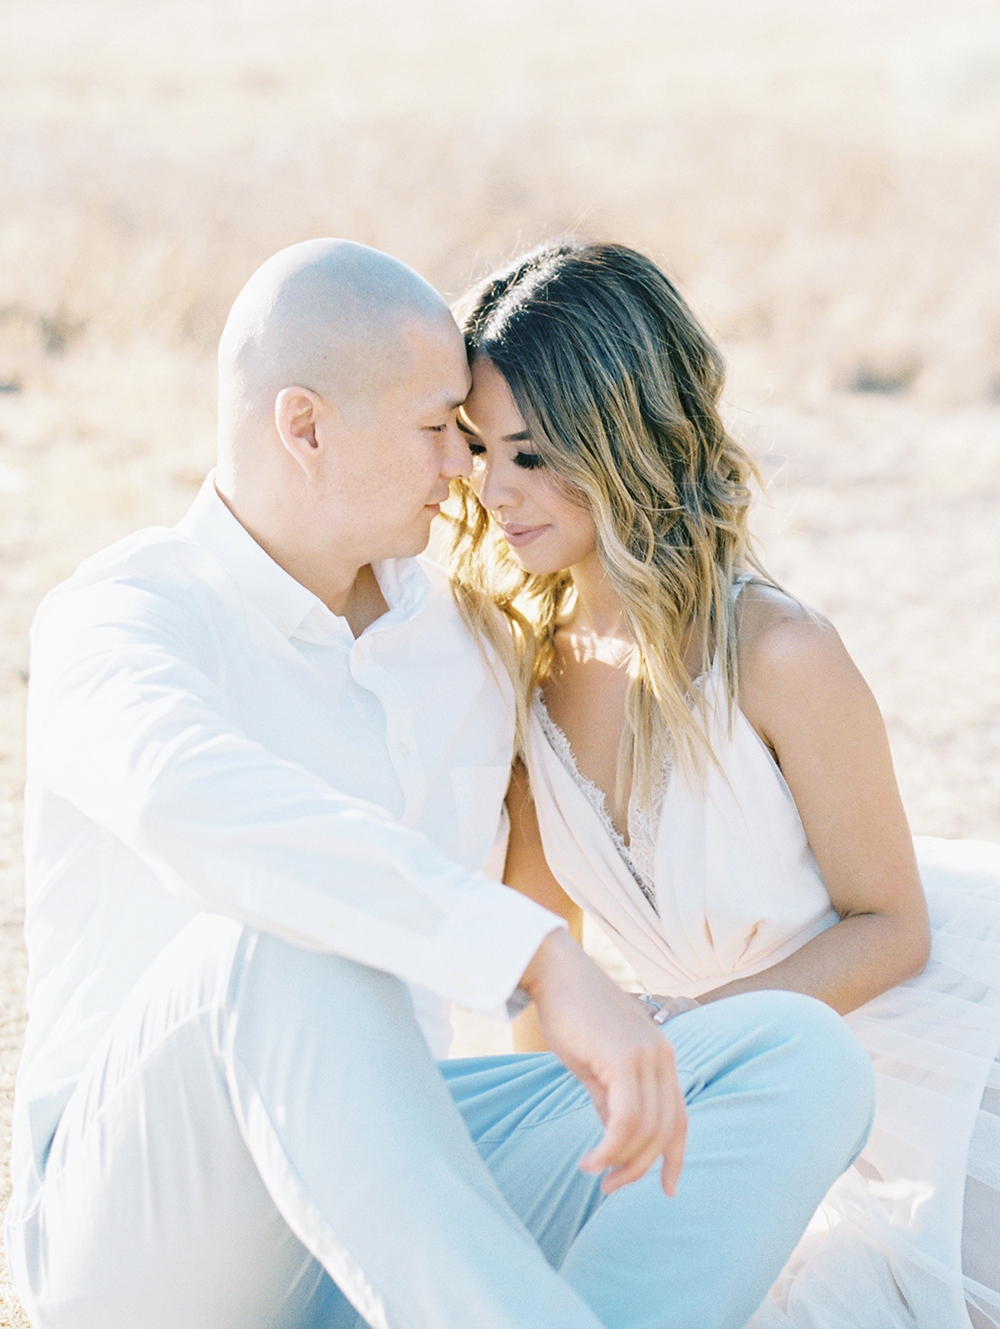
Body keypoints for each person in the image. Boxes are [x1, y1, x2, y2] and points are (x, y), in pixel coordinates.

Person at [2, 238, 874, 1329]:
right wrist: (535, 960)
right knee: (274, 948)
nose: (464, 471)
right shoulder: (125, 617)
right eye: (436, 434)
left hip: (392, 1205)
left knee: (796, 1056)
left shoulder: (461, 641)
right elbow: (194, 798)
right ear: (304, 427)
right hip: (150, 1237)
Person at [449, 238, 1000, 1329]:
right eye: (474, 450)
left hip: (942, 1073)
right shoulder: (518, 664)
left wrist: (689, 1040)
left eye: (528, 454)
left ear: (621, 438)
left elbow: (893, 928)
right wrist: (580, 1142)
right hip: (726, 1091)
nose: (491, 490)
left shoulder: (778, 652)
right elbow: (535, 946)